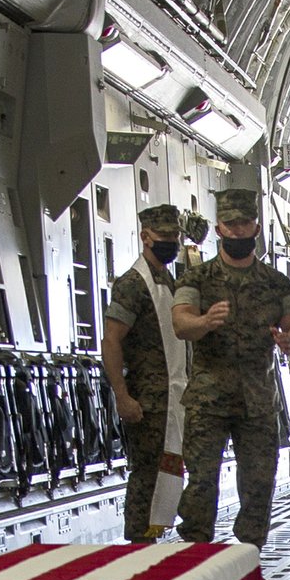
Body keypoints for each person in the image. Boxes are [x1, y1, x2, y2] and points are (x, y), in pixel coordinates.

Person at [172, 187, 290, 548]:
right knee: (201, 481)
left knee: (259, 484)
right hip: (208, 399)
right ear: (218, 229)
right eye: (230, 224)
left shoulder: (277, 284)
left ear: (256, 228)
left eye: (244, 223)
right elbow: (181, 323)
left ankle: (248, 563)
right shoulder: (194, 280)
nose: (237, 231)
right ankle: (197, 559)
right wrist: (205, 322)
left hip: (258, 400)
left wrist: (289, 341)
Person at [101, 203, 185, 542]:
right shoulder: (132, 285)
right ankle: (139, 541)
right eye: (163, 236)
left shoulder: (170, 280)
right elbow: (110, 341)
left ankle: (157, 536)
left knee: (169, 470)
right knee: (147, 474)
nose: (170, 241)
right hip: (147, 400)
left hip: (173, 398)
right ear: (145, 237)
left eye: (174, 236)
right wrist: (122, 396)